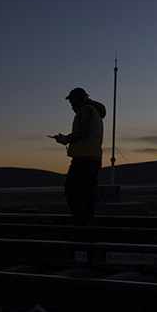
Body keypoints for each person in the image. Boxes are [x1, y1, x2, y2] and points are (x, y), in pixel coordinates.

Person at [51, 87, 106, 226]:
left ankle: (82, 222)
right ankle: (88, 221)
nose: (71, 105)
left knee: (72, 190)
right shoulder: (95, 112)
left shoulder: (85, 111)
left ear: (80, 99)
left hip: (83, 158)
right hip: (94, 158)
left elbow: (84, 131)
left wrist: (67, 139)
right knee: (87, 191)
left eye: (73, 101)